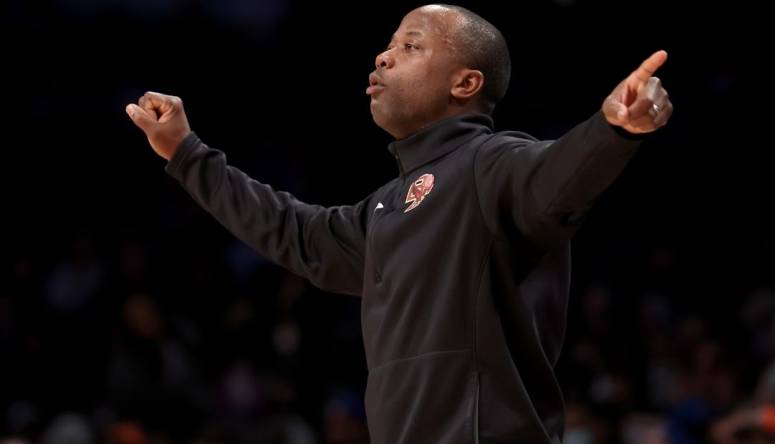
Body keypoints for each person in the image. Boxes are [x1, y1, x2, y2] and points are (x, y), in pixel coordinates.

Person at [125, 4, 672, 443]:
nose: (384, 57)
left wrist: (613, 130)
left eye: (410, 45)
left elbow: (558, 177)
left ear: (465, 83)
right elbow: (295, 233)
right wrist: (185, 153)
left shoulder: (493, 162)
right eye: (389, 45)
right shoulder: (386, 206)